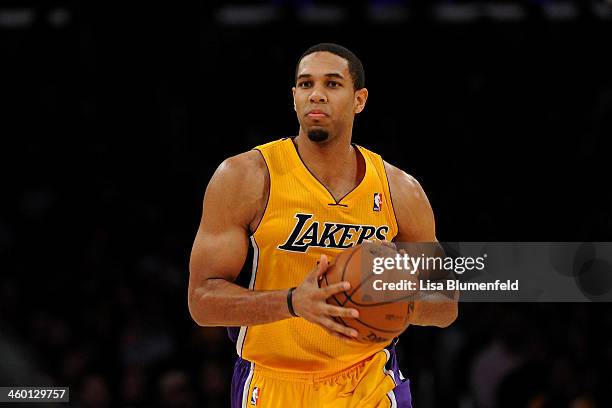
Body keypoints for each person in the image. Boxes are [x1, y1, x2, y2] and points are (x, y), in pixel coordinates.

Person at [188, 43, 458, 408]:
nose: (316, 94)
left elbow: (446, 303)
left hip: (368, 382)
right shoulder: (245, 177)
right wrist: (292, 302)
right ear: (294, 97)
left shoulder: (400, 190)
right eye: (305, 84)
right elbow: (202, 302)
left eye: (332, 84)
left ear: (359, 99)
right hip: (273, 382)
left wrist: (394, 302)